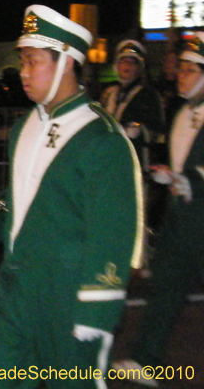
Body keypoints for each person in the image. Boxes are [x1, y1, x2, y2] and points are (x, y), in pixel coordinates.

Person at [0, 4, 143, 388]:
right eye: (23, 62)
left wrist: (98, 305)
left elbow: (114, 230)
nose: (23, 73)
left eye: (33, 62)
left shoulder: (101, 138)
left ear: (66, 62)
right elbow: (20, 197)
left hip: (68, 293)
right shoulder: (24, 126)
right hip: (15, 286)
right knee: (0, 377)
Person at [111, 33, 204, 386]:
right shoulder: (182, 111)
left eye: (190, 70)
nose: (181, 75)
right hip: (181, 218)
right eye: (181, 68)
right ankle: (145, 359)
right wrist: (171, 176)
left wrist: (188, 179)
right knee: (165, 287)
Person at [99, 40, 164, 171]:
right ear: (116, 65)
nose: (127, 65)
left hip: (135, 161)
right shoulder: (108, 93)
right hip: (108, 160)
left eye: (132, 62)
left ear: (139, 68)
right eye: (123, 61)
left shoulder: (149, 95)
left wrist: (141, 131)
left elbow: (159, 133)